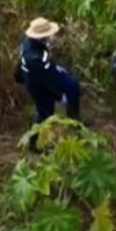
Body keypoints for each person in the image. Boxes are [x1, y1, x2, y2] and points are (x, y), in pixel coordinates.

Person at [14, 18, 83, 149]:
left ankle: (74, 122)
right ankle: (34, 143)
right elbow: (46, 80)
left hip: (45, 72)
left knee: (73, 85)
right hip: (37, 83)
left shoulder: (27, 42)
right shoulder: (35, 57)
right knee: (45, 112)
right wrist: (58, 96)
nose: (51, 37)